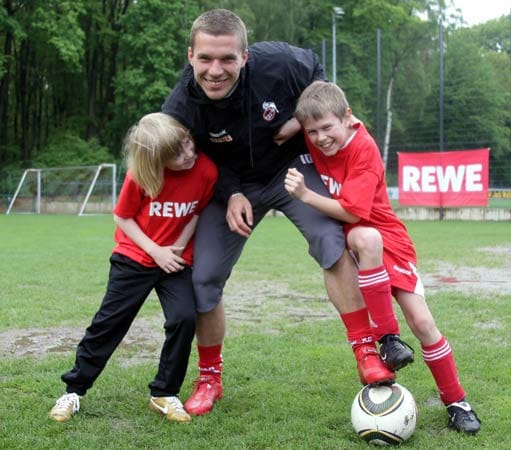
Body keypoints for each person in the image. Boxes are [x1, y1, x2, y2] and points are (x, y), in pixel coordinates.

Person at [161, 8, 406, 416]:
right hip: (231, 187)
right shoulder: (181, 103)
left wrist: (298, 118)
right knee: (203, 278)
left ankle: (366, 352)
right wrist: (232, 190)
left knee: (331, 240)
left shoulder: (283, 62)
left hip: (291, 173)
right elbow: (190, 158)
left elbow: (321, 79)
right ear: (191, 56)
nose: (215, 70)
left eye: (227, 59)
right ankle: (209, 378)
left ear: (245, 56)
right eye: (205, 59)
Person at [284, 80, 481, 434]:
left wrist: (305, 195)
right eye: (312, 131)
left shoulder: (363, 147)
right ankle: (386, 340)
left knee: (422, 323)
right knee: (360, 239)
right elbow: (286, 128)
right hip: (353, 239)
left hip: (385, 237)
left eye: (327, 128)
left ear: (347, 118)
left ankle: (456, 401)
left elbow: (354, 212)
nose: (320, 138)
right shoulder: (313, 133)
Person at [48, 113, 218, 423]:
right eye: (176, 155)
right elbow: (122, 218)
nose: (188, 155)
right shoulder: (140, 175)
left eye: (187, 145)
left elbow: (196, 212)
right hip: (135, 257)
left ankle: (164, 393)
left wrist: (175, 250)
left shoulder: (205, 168)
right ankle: (73, 391)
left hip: (175, 260)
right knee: (109, 323)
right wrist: (156, 251)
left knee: (184, 318)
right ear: (156, 161)